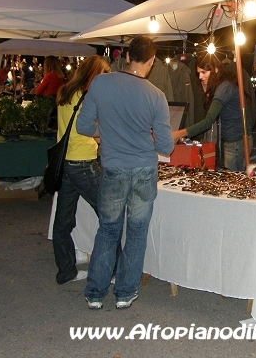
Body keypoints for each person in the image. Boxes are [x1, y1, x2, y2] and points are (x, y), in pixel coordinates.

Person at [77, 35, 173, 310]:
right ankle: (125, 293)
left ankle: (95, 292)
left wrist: (106, 132)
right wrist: (151, 136)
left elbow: (84, 126)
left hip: (113, 168)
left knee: (107, 230)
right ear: (152, 61)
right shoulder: (156, 95)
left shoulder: (101, 83)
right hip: (144, 169)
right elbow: (165, 147)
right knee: (137, 232)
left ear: (128, 55)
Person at [53, 55, 109, 285]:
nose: (106, 78)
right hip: (83, 163)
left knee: (62, 223)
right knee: (109, 217)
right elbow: (89, 130)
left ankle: (66, 271)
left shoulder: (65, 92)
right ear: (94, 74)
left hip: (66, 162)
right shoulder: (89, 97)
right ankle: (109, 270)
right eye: (104, 73)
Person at [172, 55, 253, 172]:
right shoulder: (222, 85)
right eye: (199, 72)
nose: (200, 76)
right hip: (234, 140)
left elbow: (208, 121)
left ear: (215, 69)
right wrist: (207, 92)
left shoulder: (224, 88)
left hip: (236, 142)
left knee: (232, 180)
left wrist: (179, 134)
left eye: (204, 72)